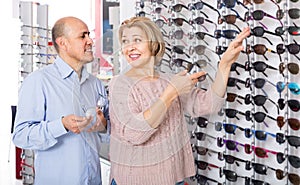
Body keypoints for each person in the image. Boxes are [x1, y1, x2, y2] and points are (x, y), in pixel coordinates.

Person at [108, 16, 250, 185]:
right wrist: (172, 92)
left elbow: (209, 104)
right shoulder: (119, 84)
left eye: (137, 40)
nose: (130, 47)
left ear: (154, 44)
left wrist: (224, 66)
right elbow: (135, 133)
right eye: (125, 41)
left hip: (174, 179)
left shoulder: (169, 81)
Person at [12, 16, 109, 185]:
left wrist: (104, 126)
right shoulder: (39, 81)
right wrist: (61, 125)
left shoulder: (96, 85)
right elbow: (21, 136)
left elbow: (108, 135)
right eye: (83, 36)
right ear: (63, 43)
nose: (90, 41)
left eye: (89, 35)